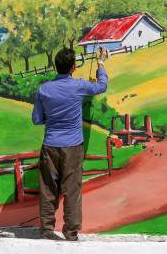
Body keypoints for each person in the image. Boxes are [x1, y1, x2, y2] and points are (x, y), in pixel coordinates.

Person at [31, 46, 109, 241]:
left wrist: (53, 117)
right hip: (73, 146)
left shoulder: (43, 89)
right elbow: (102, 86)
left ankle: (47, 230)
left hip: (50, 146)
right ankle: (71, 233)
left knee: (49, 188)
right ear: (73, 67)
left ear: (55, 66)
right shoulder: (79, 86)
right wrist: (100, 64)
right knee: (72, 189)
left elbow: (37, 119)